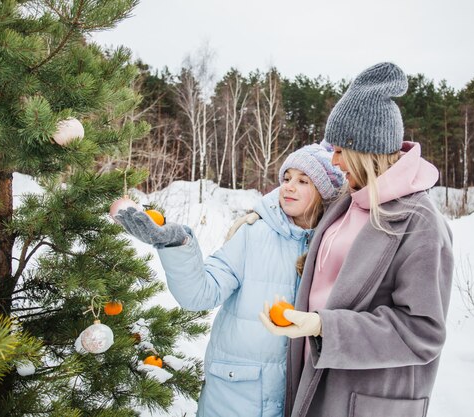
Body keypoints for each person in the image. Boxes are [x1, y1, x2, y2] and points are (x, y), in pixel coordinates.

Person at [259, 62, 454, 417]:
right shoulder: (349, 201)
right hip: (313, 380)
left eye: (338, 150)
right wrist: (255, 215)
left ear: (364, 149)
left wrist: (323, 327)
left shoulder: (420, 222)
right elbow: (296, 211)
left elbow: (423, 331)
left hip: (364, 399)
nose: (333, 161)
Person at [115, 143, 344, 417]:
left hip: (302, 398)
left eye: (303, 181)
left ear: (324, 193)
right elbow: (200, 294)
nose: (289, 187)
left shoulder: (336, 243)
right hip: (236, 395)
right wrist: (175, 243)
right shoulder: (253, 233)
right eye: (286, 178)